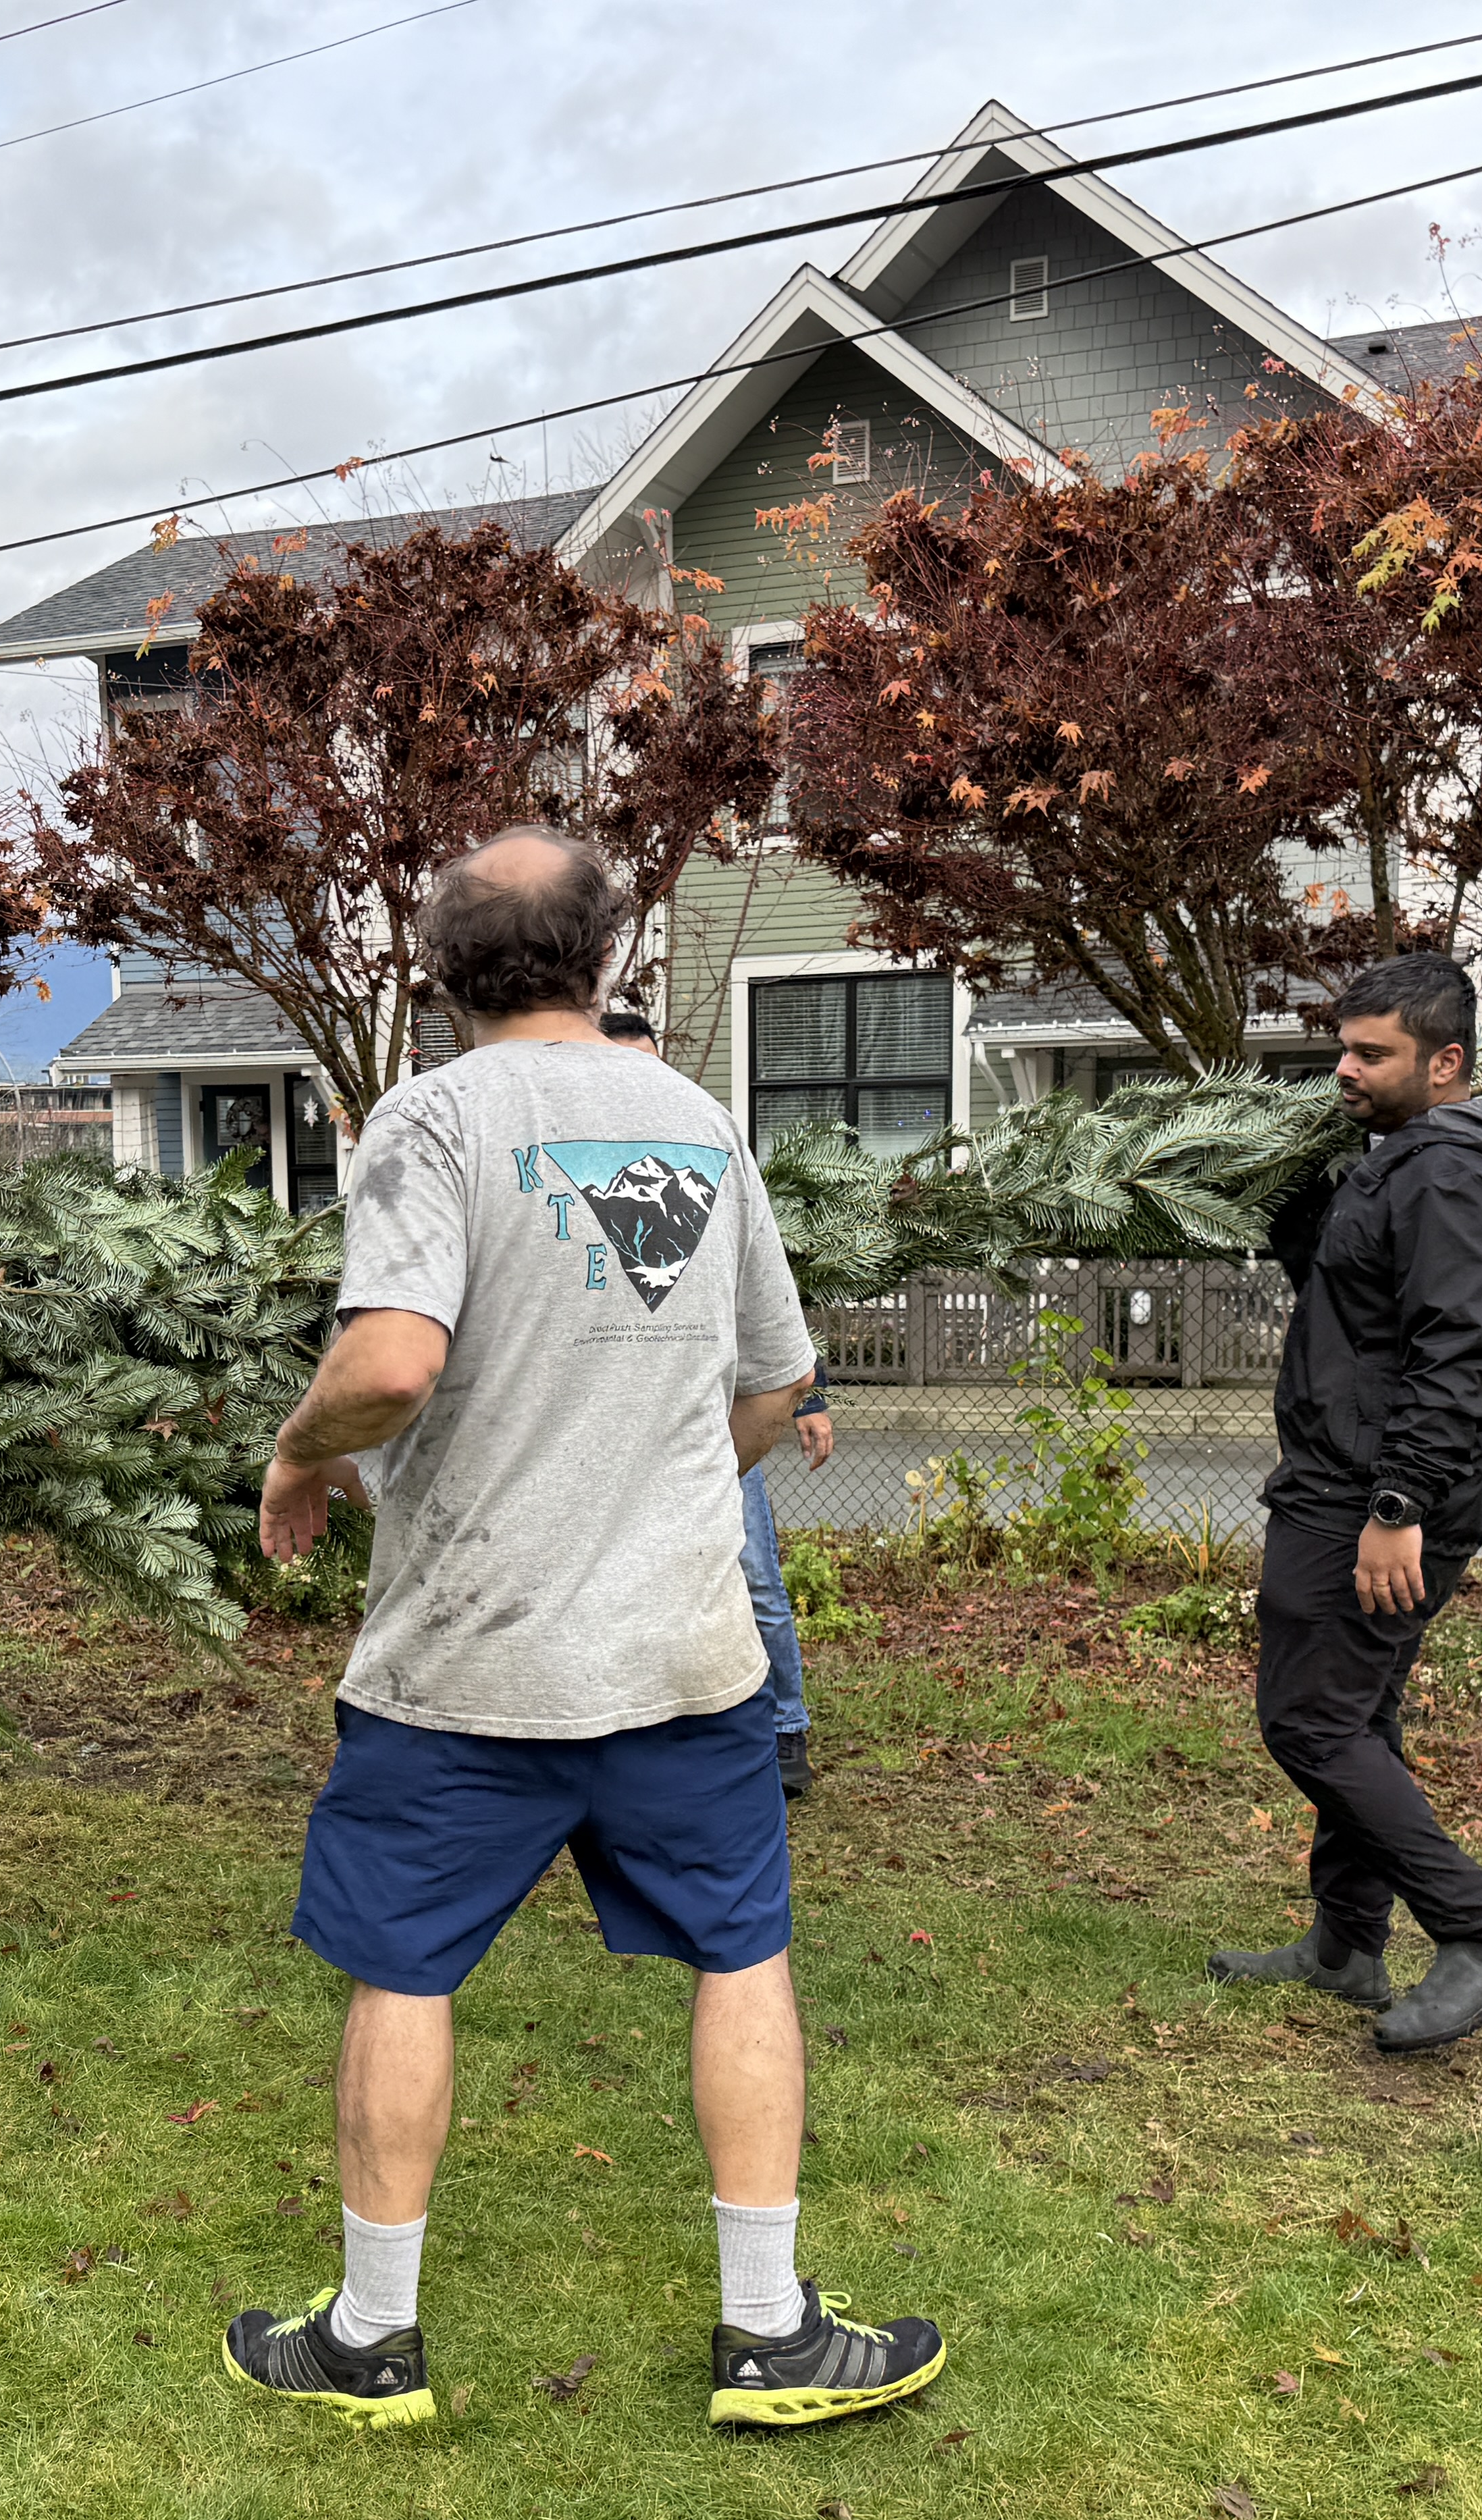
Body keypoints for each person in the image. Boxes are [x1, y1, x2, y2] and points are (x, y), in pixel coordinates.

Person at [224, 830, 944, 2432]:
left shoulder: (429, 1123)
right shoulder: (699, 1125)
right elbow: (775, 1383)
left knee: (403, 1972)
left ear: (439, 969)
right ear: (604, 959)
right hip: (684, 1656)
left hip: (465, 1657)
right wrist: (667, 1492)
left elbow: (394, 1364)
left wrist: (295, 1452)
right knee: (741, 1958)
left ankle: (370, 2340)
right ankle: (767, 2336)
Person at [1209, 950, 1482, 2053]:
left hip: (1373, 1494)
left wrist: (1397, 1502)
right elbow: (1345, 1284)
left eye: (1372, 1054)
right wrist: (1288, 1188)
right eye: (1341, 1051)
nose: (1343, 1072)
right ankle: (1345, 1943)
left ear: (1445, 1061)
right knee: (1355, 1715)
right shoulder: (1399, 1159)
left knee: (1309, 1720)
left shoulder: (1452, 1173)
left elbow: (1461, 1356)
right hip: (1343, 1479)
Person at [605, 1008, 829, 1796]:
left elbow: (768, 1303)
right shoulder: (597, 1184)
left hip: (718, 1424)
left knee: (756, 1578)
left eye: (655, 1067)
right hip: (624, 1432)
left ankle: (786, 1731)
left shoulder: (705, 1162)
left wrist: (809, 1398)